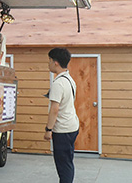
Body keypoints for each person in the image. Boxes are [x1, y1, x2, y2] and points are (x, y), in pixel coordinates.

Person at [44, 47, 80, 183]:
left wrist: (48, 129)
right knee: (67, 162)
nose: (49, 64)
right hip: (72, 126)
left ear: (56, 62)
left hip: (63, 129)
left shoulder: (58, 83)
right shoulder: (70, 80)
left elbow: (55, 109)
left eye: (50, 61)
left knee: (63, 165)